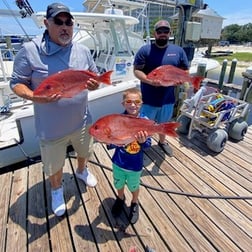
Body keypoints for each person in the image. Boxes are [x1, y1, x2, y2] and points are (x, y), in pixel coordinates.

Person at [9, 3, 99, 217]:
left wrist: (96, 83)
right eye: (58, 22)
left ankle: (81, 170)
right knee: (54, 165)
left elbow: (94, 75)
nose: (64, 26)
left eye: (68, 22)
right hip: (51, 128)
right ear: (46, 23)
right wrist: (34, 96)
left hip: (82, 120)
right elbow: (16, 83)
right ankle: (56, 189)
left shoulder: (83, 50)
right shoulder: (30, 51)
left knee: (84, 151)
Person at [133, 20, 189, 156]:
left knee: (164, 123)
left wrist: (180, 80)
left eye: (165, 31)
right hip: (148, 99)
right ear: (155, 33)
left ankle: (162, 142)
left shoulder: (178, 51)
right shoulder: (145, 50)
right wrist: (149, 81)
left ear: (170, 33)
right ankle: (142, 145)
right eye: (159, 32)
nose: (162, 34)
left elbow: (185, 70)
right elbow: (136, 70)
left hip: (168, 99)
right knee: (143, 126)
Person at [107, 88, 151, 224]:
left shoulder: (145, 121)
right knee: (118, 183)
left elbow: (148, 144)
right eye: (129, 101)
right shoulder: (118, 120)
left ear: (142, 103)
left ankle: (134, 202)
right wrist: (111, 141)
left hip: (135, 166)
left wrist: (143, 141)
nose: (133, 105)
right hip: (118, 163)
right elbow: (111, 144)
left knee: (134, 186)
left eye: (137, 102)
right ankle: (120, 198)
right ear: (123, 104)